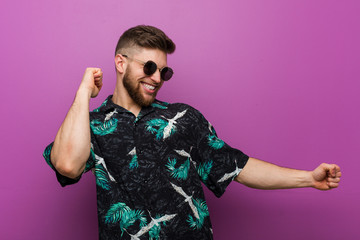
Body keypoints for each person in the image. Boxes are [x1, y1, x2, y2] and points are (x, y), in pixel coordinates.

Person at [43, 25, 341, 240]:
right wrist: (84, 92)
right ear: (120, 63)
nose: (157, 78)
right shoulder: (92, 125)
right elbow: (67, 165)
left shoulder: (183, 117)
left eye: (164, 71)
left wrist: (308, 179)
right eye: (149, 67)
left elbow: (236, 166)